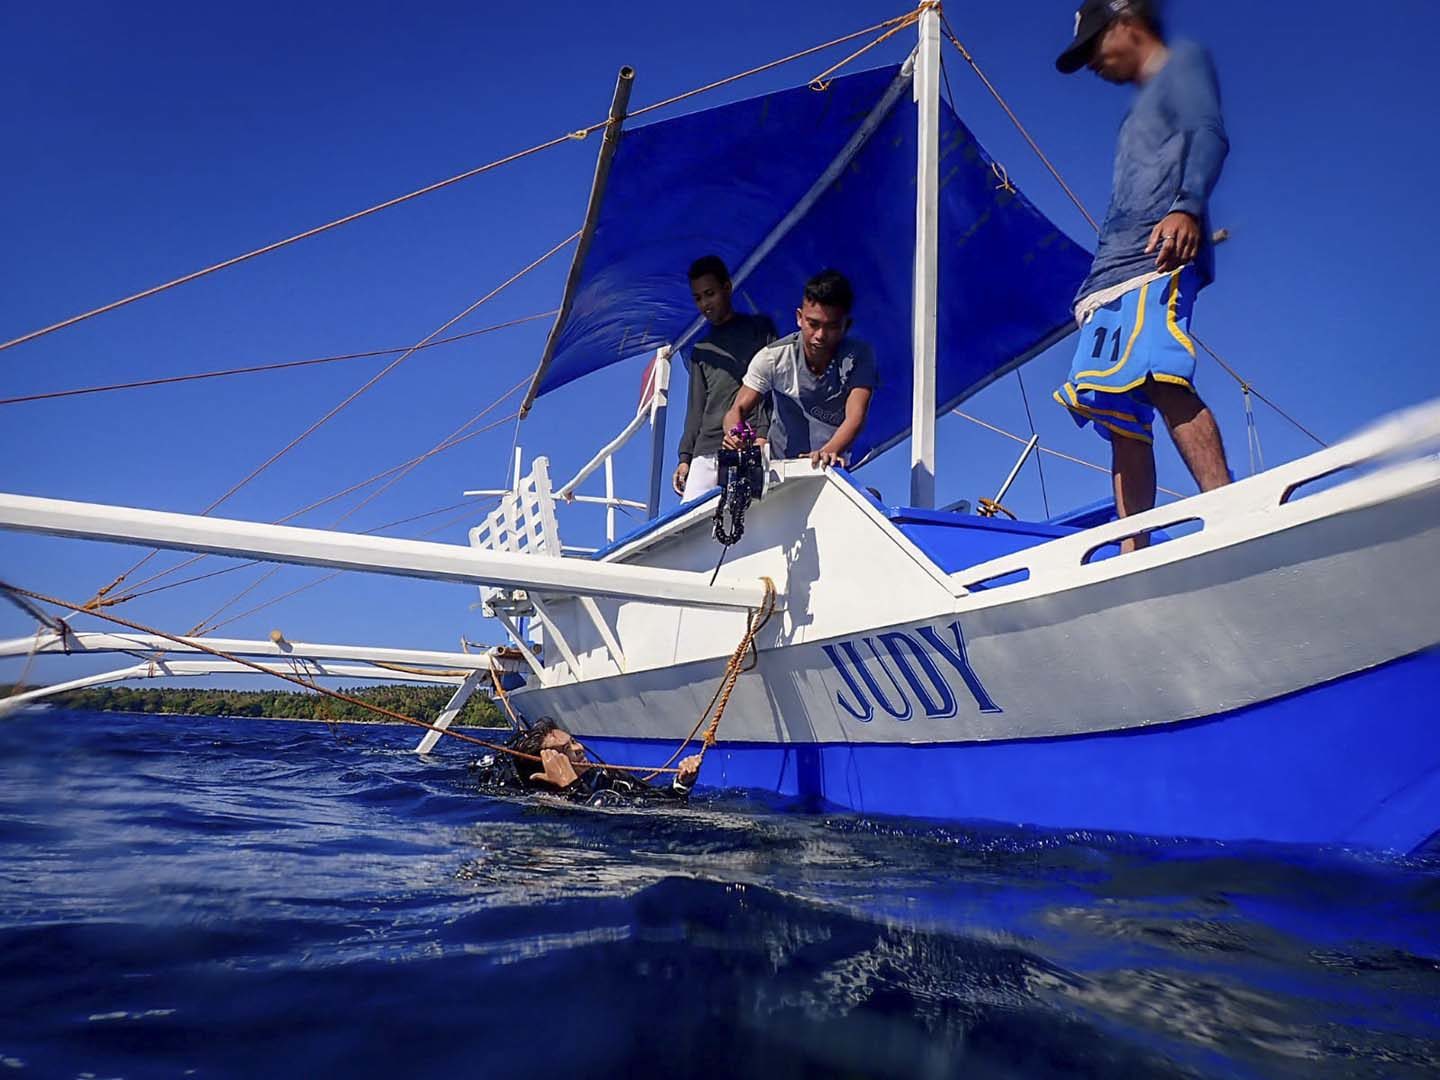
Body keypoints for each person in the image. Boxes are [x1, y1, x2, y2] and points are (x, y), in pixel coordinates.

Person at [1052, 0, 1232, 550]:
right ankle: (1135, 547)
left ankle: (1228, 512)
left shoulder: (1183, 62)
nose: (1092, 64)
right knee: (1118, 410)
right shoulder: (1134, 114)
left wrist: (1188, 206)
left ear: (1126, 25)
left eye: (1095, 47)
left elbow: (1209, 132)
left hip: (1157, 255)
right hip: (1108, 273)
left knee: (1158, 374)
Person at [722, 269, 876, 469]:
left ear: (846, 325)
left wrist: (828, 452)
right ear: (799, 318)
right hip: (780, 470)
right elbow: (736, 410)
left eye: (831, 327)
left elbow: (856, 416)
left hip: (829, 469)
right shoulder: (773, 357)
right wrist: (734, 434)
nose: (820, 335)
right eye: (813, 324)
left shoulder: (859, 357)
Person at [673, 256, 778, 502]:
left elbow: (770, 387)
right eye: (698, 298)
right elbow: (695, 409)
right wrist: (685, 458)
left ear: (727, 288)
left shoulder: (760, 328)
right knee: (688, 523)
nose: (705, 303)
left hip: (748, 441)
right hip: (705, 450)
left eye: (709, 293)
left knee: (750, 515)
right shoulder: (701, 349)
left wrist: (763, 434)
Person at [471, 718, 702, 806]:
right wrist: (569, 786)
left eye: (573, 741)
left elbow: (667, 803)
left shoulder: (607, 778)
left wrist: (682, 783)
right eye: (566, 750)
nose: (579, 748)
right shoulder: (539, 801)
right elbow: (590, 826)